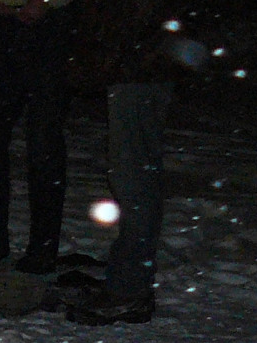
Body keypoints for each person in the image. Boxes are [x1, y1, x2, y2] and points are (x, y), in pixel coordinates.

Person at [65, 0, 201, 325]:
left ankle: (129, 289)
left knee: (133, 178)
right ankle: (127, 282)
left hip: (139, 67)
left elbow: (132, 19)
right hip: (137, 64)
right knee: (132, 176)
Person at [0, 0, 75, 274]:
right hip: (9, 25)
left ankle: (42, 249)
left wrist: (47, 4)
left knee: (43, 141)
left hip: (53, 27)